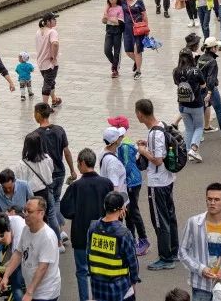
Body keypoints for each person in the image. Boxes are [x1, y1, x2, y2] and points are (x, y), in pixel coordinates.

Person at [179, 182, 221, 301]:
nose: (212, 202)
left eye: (217, 199)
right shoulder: (193, 223)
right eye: (209, 199)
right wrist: (201, 269)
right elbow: (182, 251)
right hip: (201, 286)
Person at [60, 148, 114, 301]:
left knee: (82, 271)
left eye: (78, 163)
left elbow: (65, 209)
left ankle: (85, 298)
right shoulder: (107, 184)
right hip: (104, 234)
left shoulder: (76, 187)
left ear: (82, 163)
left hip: (81, 235)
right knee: (103, 270)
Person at [135, 98, 179, 271]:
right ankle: (173, 251)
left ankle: (165, 257)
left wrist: (142, 151)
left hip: (157, 182)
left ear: (140, 114)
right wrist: (148, 147)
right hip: (167, 179)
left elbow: (158, 160)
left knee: (159, 220)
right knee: (170, 216)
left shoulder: (154, 133)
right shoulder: (161, 125)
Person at [0, 198, 61, 301]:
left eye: (30, 211)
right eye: (25, 210)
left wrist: (29, 293)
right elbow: (18, 253)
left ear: (41, 213)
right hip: (32, 288)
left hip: (46, 293)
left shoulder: (47, 237)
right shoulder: (26, 229)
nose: (26, 214)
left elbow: (43, 267)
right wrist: (6, 276)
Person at [106, 115, 149, 256]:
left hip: (131, 182)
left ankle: (143, 240)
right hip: (130, 182)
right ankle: (132, 240)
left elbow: (127, 167)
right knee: (129, 213)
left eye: (114, 126)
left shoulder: (124, 146)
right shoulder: (125, 142)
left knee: (133, 211)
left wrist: (118, 178)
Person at [35, 101, 77, 242]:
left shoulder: (36, 135)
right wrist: (72, 170)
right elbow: (66, 151)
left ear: (39, 114)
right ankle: (60, 230)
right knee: (56, 201)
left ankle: (58, 239)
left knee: (51, 209)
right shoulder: (59, 130)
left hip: (47, 176)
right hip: (60, 171)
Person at [87, 191, 141, 301]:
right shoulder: (124, 233)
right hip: (120, 290)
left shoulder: (93, 228)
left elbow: (89, 257)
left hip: (98, 288)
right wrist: (134, 283)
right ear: (121, 209)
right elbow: (133, 263)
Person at [174, 43, 208, 164]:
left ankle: (188, 152)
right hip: (196, 104)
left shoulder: (176, 71)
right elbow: (204, 85)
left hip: (182, 105)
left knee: (188, 129)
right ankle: (194, 149)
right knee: (199, 127)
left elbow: (177, 84)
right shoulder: (196, 71)